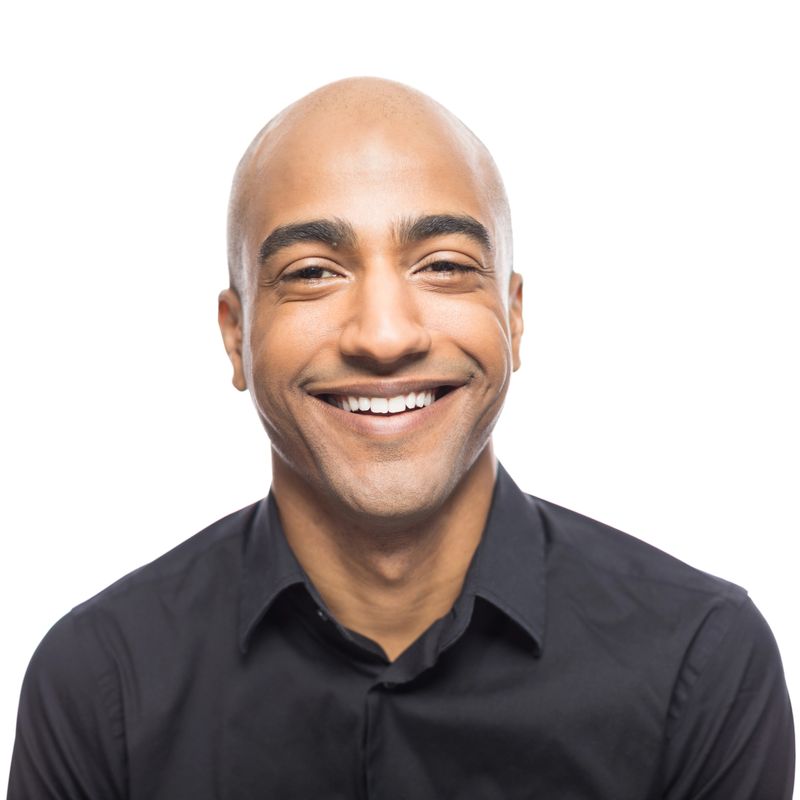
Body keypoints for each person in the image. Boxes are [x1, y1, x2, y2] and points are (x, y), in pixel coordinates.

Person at [8, 77, 794, 799]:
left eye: (445, 266)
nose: (384, 336)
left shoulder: (702, 663)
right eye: (313, 272)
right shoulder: (101, 683)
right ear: (235, 335)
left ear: (514, 318)